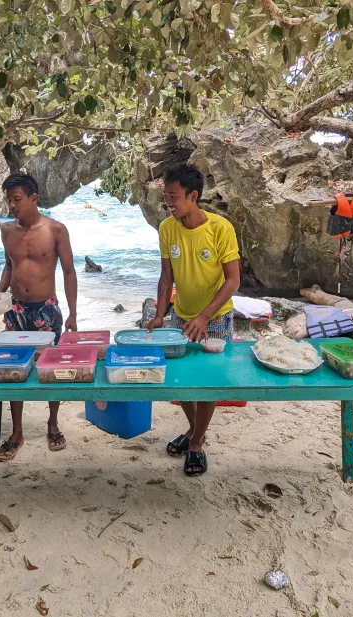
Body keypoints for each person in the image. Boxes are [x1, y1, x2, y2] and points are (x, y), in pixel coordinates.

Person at [147, 163, 240, 477]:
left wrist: (204, 316)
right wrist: (160, 314)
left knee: (207, 385)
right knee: (178, 380)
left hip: (214, 318)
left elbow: (232, 281)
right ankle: (193, 430)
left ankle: (197, 443)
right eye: (166, 196)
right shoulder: (167, 228)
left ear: (193, 196)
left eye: (174, 197)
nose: (168, 202)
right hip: (180, 315)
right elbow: (166, 276)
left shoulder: (220, 228)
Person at [0, 173, 78, 462]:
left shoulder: (56, 230)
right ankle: (16, 432)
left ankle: (52, 423)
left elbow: (68, 272)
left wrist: (73, 314)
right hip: (15, 310)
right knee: (14, 371)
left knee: (51, 370)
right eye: (9, 201)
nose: (12, 206)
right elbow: (8, 266)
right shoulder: (6, 231)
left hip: (46, 309)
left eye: (17, 199)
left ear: (33, 198)